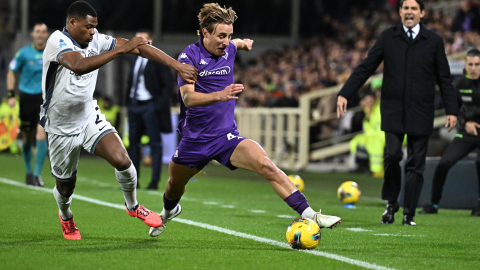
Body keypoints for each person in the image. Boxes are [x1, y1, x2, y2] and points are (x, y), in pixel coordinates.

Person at [148, 3, 341, 238]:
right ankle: (168, 213)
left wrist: (243, 43)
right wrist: (219, 95)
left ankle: (310, 214)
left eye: (229, 36)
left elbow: (236, 44)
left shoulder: (229, 47)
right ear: (205, 32)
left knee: (266, 165)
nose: (226, 41)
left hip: (226, 137)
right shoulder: (189, 57)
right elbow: (188, 98)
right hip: (195, 140)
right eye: (221, 36)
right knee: (174, 185)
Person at [41, 1, 196, 240]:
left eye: (95, 27)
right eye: (88, 27)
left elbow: (138, 48)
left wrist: (176, 66)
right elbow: (78, 65)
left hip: (88, 116)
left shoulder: (97, 40)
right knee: (65, 185)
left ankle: (134, 206)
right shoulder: (56, 41)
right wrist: (121, 51)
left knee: (123, 160)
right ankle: (65, 215)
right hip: (61, 126)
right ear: (72, 23)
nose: (92, 32)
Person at [337, 0, 458, 226]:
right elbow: (366, 66)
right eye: (406, 8)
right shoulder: (387, 37)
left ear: (422, 13)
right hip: (392, 109)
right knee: (392, 156)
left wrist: (452, 109)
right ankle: (391, 202)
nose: (409, 12)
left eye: (414, 8)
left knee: (416, 162)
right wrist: (345, 93)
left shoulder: (434, 41)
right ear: (400, 12)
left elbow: (445, 78)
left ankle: (408, 213)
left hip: (421, 110)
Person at [419, 48, 480, 217]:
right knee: (444, 163)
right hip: (466, 132)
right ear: (465, 65)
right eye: (470, 64)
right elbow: (454, 109)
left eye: (477, 64)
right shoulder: (459, 85)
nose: (473, 68)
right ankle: (433, 204)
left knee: (479, 162)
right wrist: (466, 122)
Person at [126, 30, 173, 190]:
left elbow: (168, 84)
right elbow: (130, 82)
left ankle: (154, 181)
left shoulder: (158, 59)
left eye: (143, 39)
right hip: (134, 105)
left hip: (150, 105)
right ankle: (134, 181)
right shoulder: (134, 58)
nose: (138, 42)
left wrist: (157, 105)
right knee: (133, 144)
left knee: (155, 144)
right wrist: (129, 102)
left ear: (150, 41)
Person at [7, 23, 49, 187]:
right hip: (26, 99)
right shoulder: (23, 53)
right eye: (38, 31)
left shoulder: (51, 53)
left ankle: (37, 175)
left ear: (47, 35)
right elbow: (11, 71)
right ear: (32, 34)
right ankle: (28, 172)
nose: (40, 34)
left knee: (41, 133)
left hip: (44, 99)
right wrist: (11, 93)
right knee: (27, 137)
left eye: (44, 32)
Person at [349, 88, 385, 178]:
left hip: (389, 135)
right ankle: (362, 166)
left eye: (366, 99)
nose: (365, 102)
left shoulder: (380, 108)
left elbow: (381, 131)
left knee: (375, 143)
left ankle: (378, 171)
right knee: (358, 139)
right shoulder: (368, 112)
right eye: (363, 100)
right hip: (377, 136)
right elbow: (368, 131)